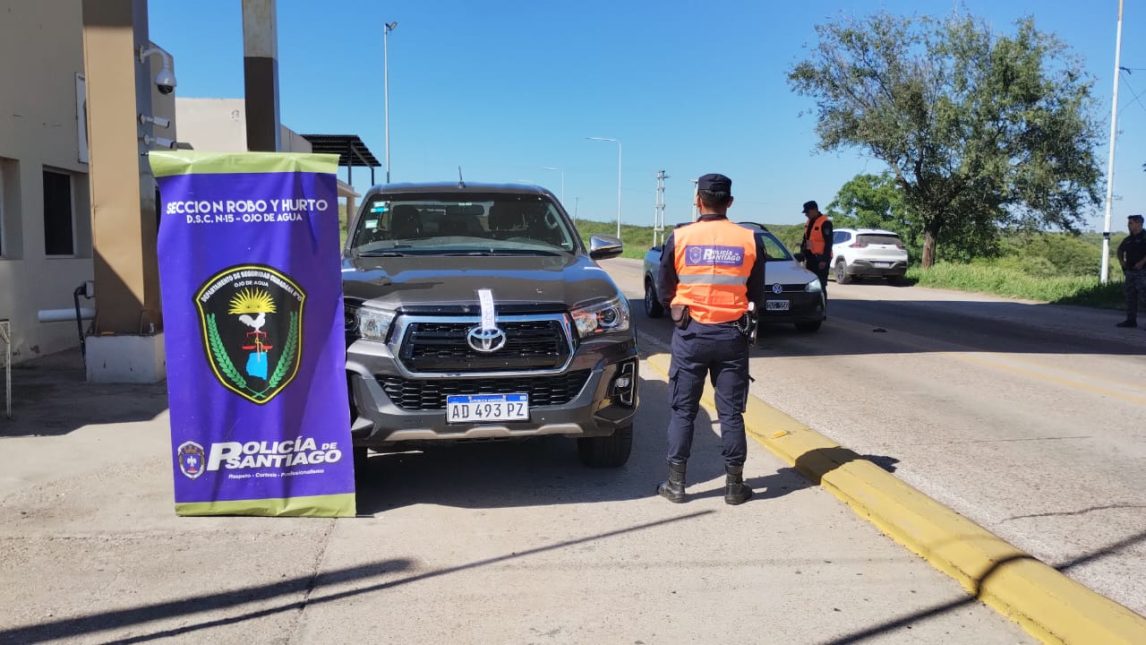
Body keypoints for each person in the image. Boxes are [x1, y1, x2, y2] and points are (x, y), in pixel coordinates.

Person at [656, 173, 766, 505]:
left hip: (691, 334)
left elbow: (664, 289)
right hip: (732, 334)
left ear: (697, 200)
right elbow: (755, 292)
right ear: (729, 202)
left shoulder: (680, 237)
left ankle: (676, 485)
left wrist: (679, 309)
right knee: (731, 413)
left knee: (683, 410)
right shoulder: (749, 239)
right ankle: (734, 487)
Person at [1116, 214, 1146, 328]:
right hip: (1130, 271)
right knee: (1130, 296)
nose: (1128, 225)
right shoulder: (1128, 239)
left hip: (1143, 272)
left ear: (1138, 223)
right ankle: (1130, 320)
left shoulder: (1144, 236)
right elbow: (1120, 250)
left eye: (1131, 223)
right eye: (1129, 223)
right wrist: (1121, 262)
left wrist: (1142, 262)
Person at [799, 200, 833, 298]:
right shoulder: (809, 222)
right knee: (810, 285)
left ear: (815, 210)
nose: (806, 214)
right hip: (810, 258)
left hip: (820, 259)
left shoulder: (825, 222)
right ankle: (812, 307)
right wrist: (802, 253)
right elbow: (805, 239)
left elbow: (829, 243)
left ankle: (822, 309)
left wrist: (824, 259)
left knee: (820, 285)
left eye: (807, 212)